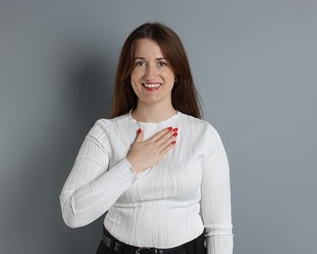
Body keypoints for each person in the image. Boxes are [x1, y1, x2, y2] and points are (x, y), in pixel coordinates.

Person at [59, 22, 233, 254]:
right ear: (128, 72)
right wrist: (132, 165)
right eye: (140, 63)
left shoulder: (203, 135)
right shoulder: (105, 133)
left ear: (177, 72)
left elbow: (219, 229)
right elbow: (73, 213)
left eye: (162, 63)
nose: (151, 74)